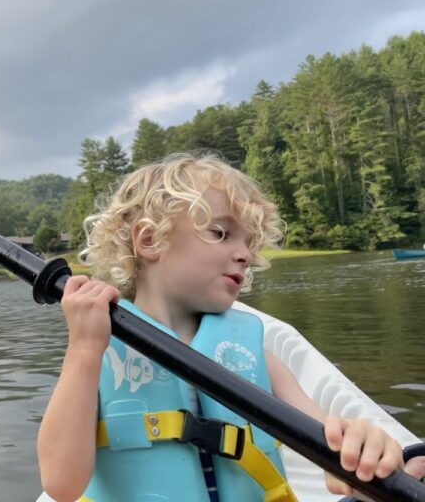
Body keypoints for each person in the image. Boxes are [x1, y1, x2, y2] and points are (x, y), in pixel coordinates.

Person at [37, 153, 425, 502]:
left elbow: (329, 443)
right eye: (221, 233)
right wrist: (83, 349)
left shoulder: (253, 354)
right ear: (150, 239)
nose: (245, 255)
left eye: (249, 242)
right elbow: (61, 484)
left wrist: (361, 450)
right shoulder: (98, 351)